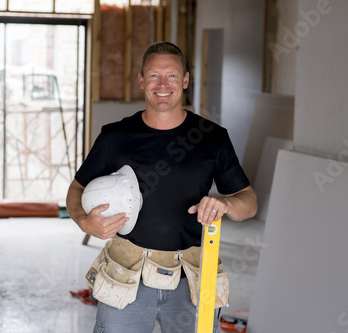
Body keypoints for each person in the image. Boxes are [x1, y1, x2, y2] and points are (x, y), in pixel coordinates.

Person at [66, 41, 257, 333]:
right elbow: (76, 189)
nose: (163, 84)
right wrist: (84, 222)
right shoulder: (115, 137)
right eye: (154, 75)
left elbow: (249, 203)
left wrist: (227, 205)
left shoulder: (212, 138)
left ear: (185, 80)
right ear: (141, 80)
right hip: (126, 276)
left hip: (192, 279)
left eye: (171, 75)